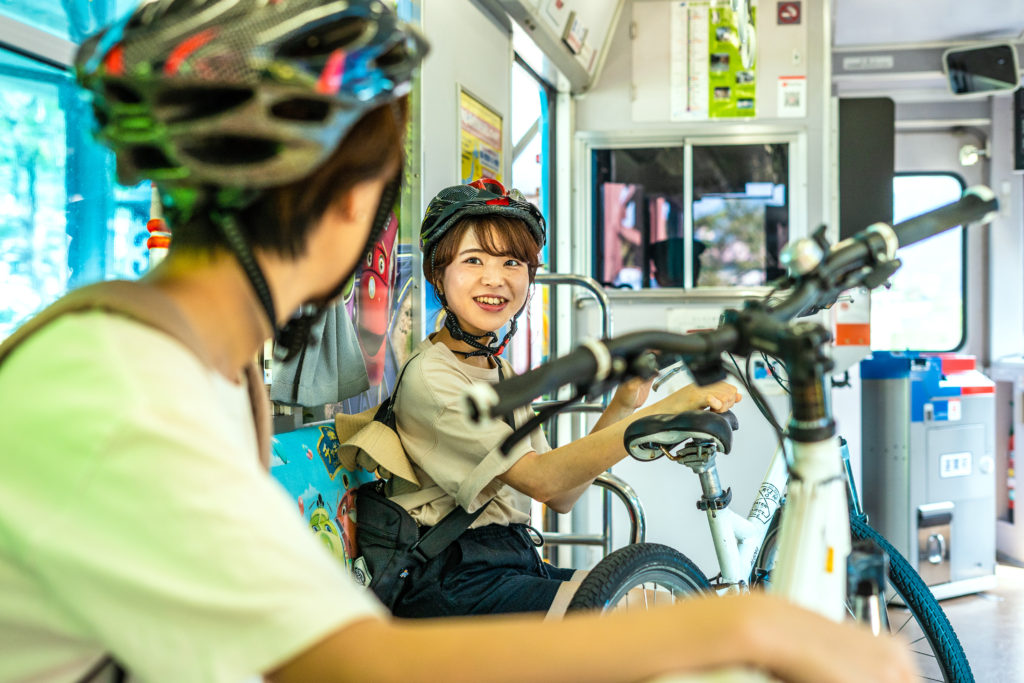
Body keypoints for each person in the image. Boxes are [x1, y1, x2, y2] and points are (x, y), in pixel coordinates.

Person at [0, 2, 916, 682]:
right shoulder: (120, 389)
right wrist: (744, 628)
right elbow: (350, 662)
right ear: (358, 212)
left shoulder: (202, 366)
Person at [381, 177, 741, 619]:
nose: (494, 279)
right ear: (439, 273)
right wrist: (671, 406)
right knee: (639, 616)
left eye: (512, 262)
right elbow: (543, 480)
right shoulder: (435, 378)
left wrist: (625, 403)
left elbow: (563, 495)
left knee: (663, 606)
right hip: (452, 579)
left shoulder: (496, 370)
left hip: (504, 562)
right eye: (473, 260)